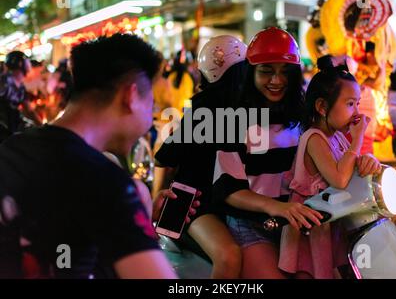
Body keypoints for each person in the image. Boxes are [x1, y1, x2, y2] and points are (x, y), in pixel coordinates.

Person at [0, 34, 187, 279]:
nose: (150, 113)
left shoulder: (12, 148)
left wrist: (138, 218)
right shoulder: (106, 183)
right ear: (130, 96)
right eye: (150, 102)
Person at [212, 27, 324, 279]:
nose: (277, 80)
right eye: (266, 72)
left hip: (296, 225)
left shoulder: (304, 118)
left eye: (285, 72)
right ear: (251, 73)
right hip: (250, 224)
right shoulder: (234, 122)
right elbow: (228, 189)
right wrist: (276, 207)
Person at [278, 55, 381, 279]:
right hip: (310, 228)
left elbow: (352, 168)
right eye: (349, 104)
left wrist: (368, 161)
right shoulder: (314, 138)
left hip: (331, 223)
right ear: (322, 106)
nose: (356, 112)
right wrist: (357, 140)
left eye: (357, 104)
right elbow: (339, 179)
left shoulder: (337, 137)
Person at [154, 35, 248, 278]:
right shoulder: (203, 108)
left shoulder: (255, 107)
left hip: (235, 201)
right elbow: (164, 156)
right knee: (229, 255)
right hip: (194, 203)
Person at [0, 51, 41, 142]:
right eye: (27, 62)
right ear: (20, 64)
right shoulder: (3, 82)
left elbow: (30, 111)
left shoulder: (20, 87)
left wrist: (43, 127)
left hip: (11, 129)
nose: (29, 65)